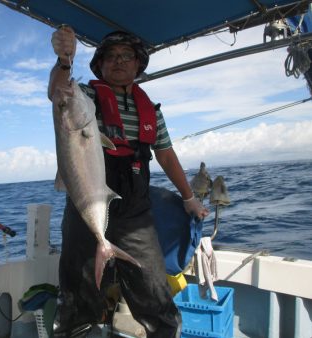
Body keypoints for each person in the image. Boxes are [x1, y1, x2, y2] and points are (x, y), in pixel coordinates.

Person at [48, 26, 209, 338]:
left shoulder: (152, 112)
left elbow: (166, 156)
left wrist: (189, 197)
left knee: (153, 289)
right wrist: (64, 60)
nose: (118, 61)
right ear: (100, 65)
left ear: (138, 64)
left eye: (126, 56)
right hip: (86, 207)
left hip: (135, 212)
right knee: (77, 293)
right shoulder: (87, 96)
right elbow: (58, 93)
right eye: (110, 57)